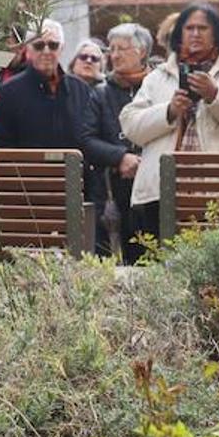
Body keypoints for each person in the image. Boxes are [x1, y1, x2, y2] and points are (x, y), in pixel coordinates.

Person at [120, 4, 219, 240]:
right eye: (189, 28)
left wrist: (216, 95)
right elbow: (130, 126)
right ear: (180, 33)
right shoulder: (157, 77)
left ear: (216, 34)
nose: (195, 34)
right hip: (162, 192)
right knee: (164, 268)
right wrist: (169, 111)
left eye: (202, 28)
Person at [80, 22, 152, 262]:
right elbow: (87, 140)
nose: (115, 54)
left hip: (152, 188)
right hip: (112, 190)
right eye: (111, 48)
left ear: (142, 52)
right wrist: (120, 156)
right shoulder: (100, 92)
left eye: (122, 48)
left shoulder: (157, 86)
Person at [0, 19, 92, 150]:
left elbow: (88, 137)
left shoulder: (80, 89)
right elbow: (1, 143)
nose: (46, 51)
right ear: (28, 49)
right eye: (39, 46)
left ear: (62, 48)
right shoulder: (10, 91)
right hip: (27, 169)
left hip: (71, 168)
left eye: (53, 45)